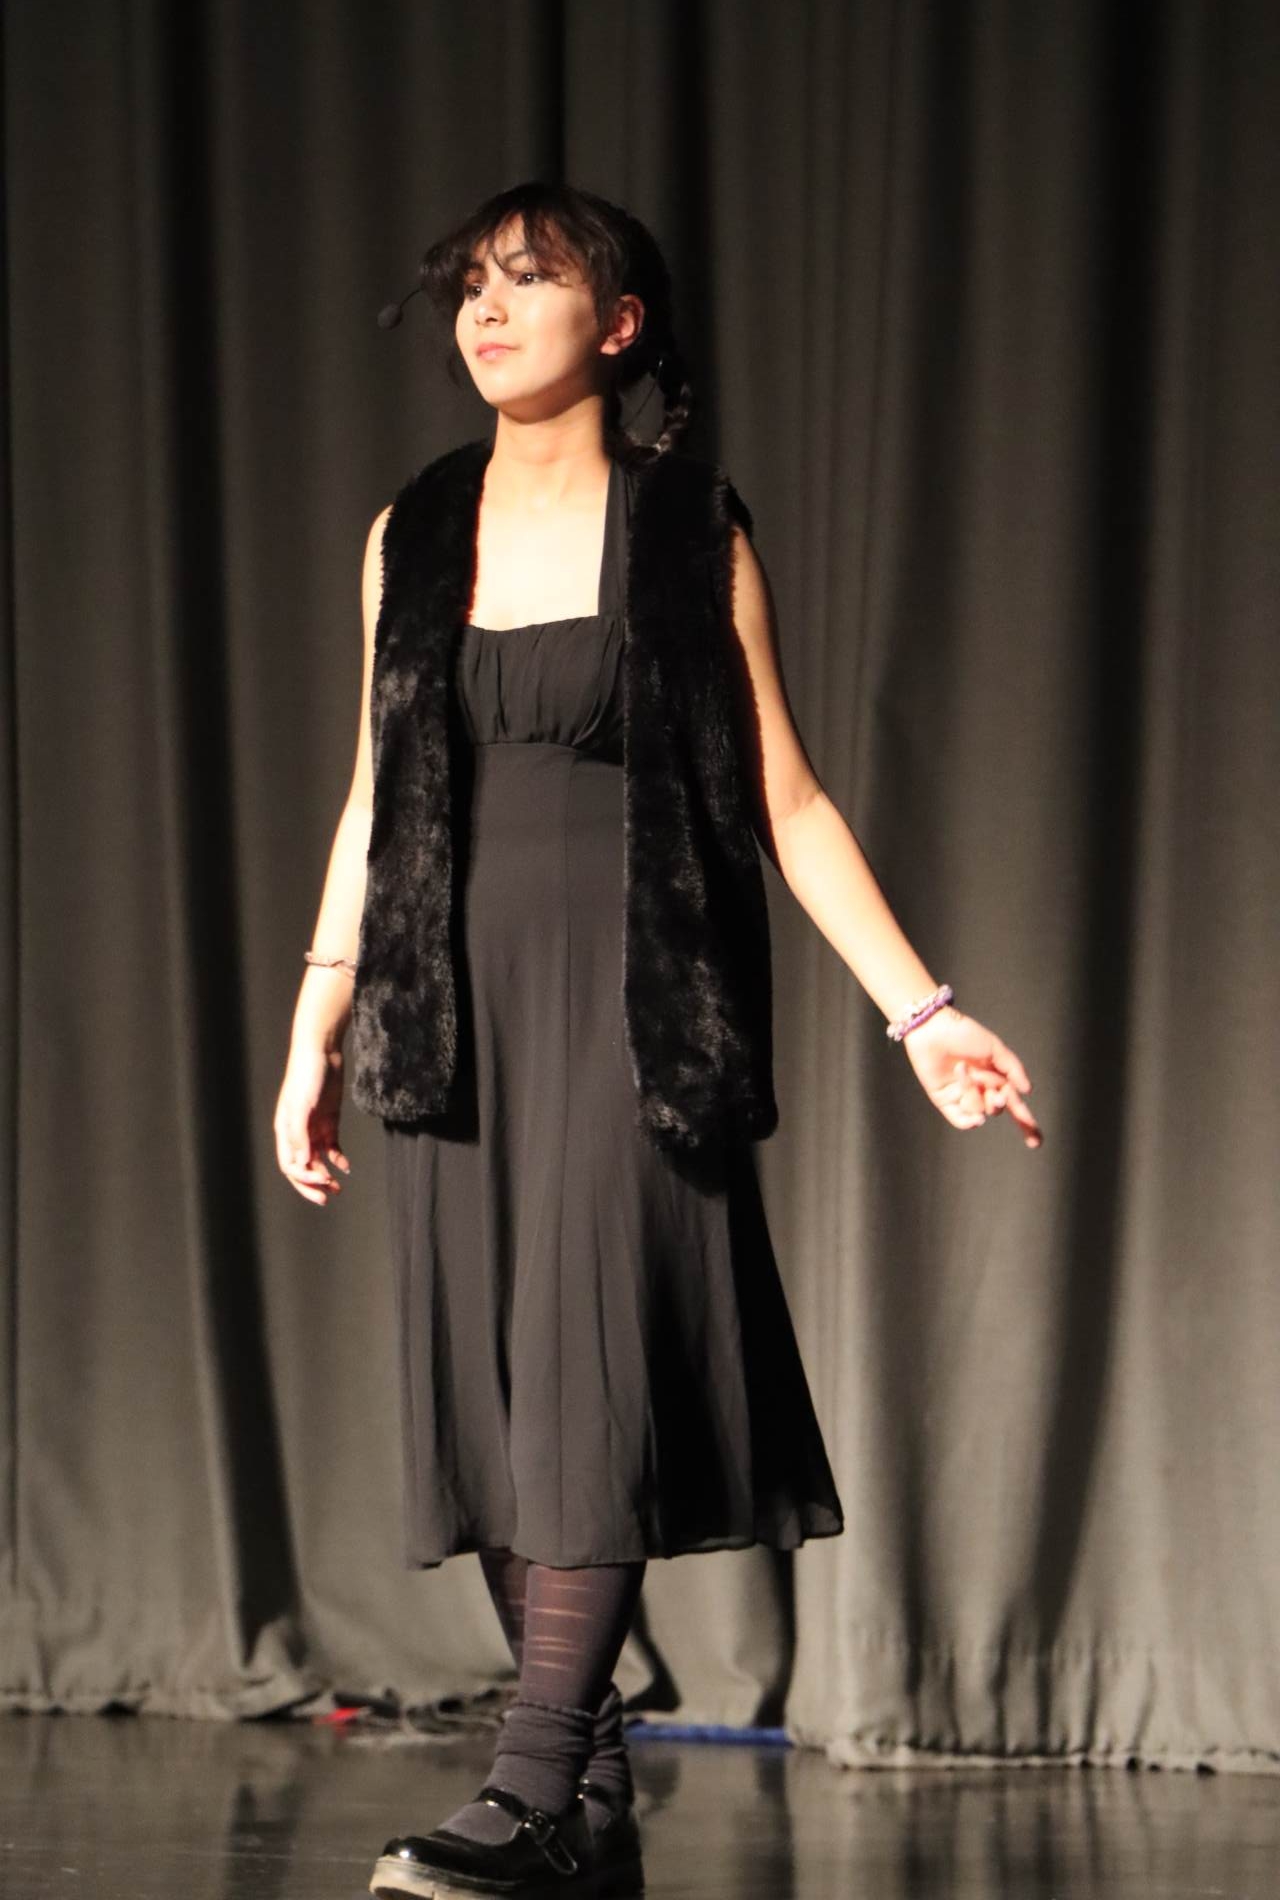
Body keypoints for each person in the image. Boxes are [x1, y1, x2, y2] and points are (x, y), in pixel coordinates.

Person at [274, 181, 1042, 1900]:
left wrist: (921, 1010)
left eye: (529, 281)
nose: (486, 311)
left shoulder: (689, 530)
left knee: (591, 1381)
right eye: (470, 285)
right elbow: (373, 797)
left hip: (634, 1010)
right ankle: (591, 1800)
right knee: (497, 1395)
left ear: (618, 326)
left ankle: (528, 1785)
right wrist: (318, 1021)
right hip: (449, 1012)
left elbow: (787, 796)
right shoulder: (413, 531)